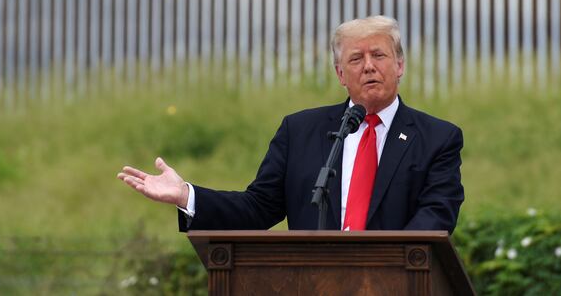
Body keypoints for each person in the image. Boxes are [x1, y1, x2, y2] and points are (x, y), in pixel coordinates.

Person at [118, 15, 464, 232]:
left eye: (380, 55)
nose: (369, 66)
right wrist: (187, 195)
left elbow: (436, 217)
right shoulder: (300, 132)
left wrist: (376, 265)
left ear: (399, 65)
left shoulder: (437, 138)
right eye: (356, 59)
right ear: (340, 74)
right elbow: (258, 209)